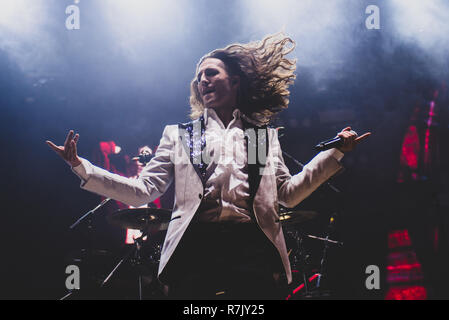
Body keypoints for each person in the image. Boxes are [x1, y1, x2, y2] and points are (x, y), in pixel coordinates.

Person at [47, 33, 370, 299]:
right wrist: (81, 166)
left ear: (235, 81)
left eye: (211, 73)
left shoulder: (261, 138)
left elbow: (287, 195)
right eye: (199, 76)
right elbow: (143, 192)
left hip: (252, 245)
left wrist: (333, 155)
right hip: (195, 245)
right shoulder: (181, 135)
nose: (203, 80)